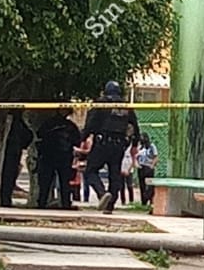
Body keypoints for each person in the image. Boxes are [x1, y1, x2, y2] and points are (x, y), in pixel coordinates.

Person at [81, 81, 139, 213]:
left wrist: (83, 139)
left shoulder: (102, 103)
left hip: (102, 142)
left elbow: (91, 124)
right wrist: (134, 145)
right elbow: (135, 127)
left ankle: (102, 194)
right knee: (115, 175)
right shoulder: (125, 106)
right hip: (119, 145)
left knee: (90, 170)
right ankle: (110, 206)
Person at [34, 108, 81, 210]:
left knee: (49, 182)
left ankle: (44, 203)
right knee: (59, 182)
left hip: (53, 155)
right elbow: (77, 140)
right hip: (57, 156)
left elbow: (39, 134)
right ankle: (63, 204)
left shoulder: (50, 123)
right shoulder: (69, 126)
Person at [0, 111, 33, 207]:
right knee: (8, 179)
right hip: (12, 155)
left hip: (9, 155)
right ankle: (5, 200)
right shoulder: (17, 124)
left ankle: (5, 200)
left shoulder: (13, 124)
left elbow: (28, 136)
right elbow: (29, 136)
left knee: (6, 179)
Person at [136, 133, 158, 205]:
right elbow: (136, 156)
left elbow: (155, 157)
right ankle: (143, 201)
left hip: (148, 167)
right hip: (141, 166)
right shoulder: (140, 147)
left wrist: (152, 165)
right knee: (142, 184)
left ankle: (150, 198)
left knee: (150, 184)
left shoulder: (152, 146)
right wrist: (137, 164)